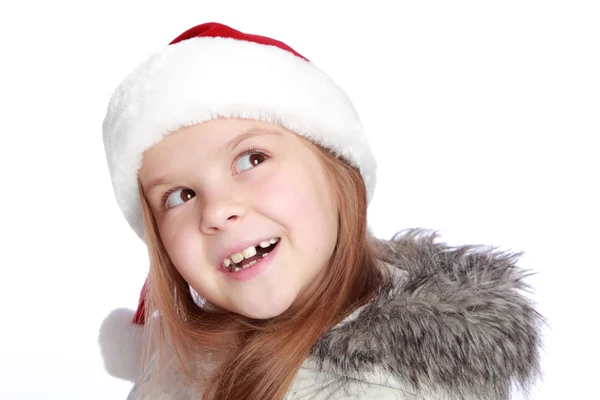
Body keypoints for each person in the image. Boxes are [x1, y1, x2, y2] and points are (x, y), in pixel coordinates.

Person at [99, 22, 543, 400]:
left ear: (336, 172)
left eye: (252, 159)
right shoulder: (173, 375)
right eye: (179, 195)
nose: (217, 211)